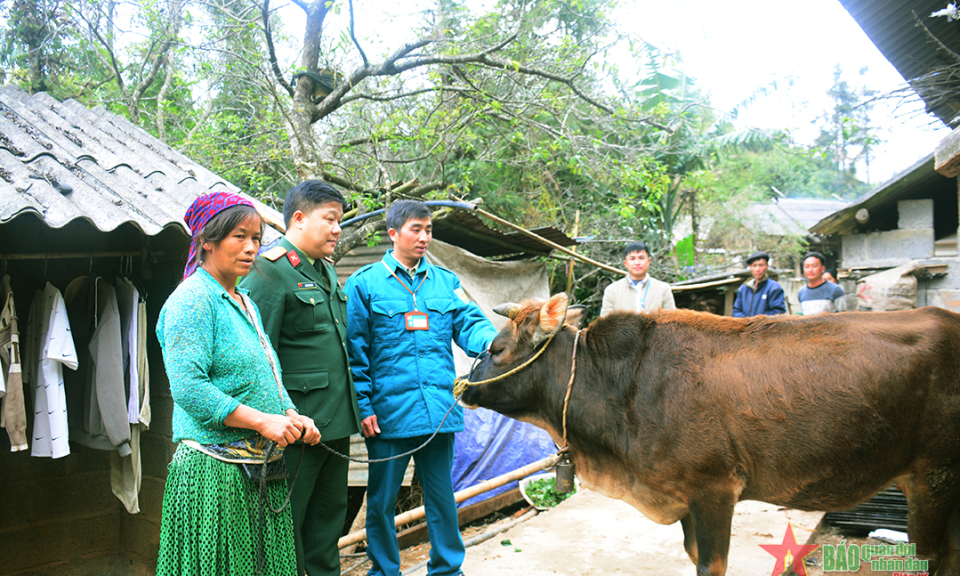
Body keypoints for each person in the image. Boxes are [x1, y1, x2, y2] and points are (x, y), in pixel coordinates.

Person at [155, 192, 321, 576]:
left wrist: (291, 415)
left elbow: (268, 372)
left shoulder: (244, 300)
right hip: (215, 477)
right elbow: (189, 388)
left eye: (257, 238)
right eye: (239, 237)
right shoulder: (192, 301)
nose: (251, 248)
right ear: (206, 242)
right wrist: (262, 422)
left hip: (262, 470)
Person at [345, 199, 498, 576]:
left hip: (438, 409)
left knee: (441, 497)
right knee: (381, 500)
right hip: (388, 414)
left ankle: (447, 568)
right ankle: (384, 570)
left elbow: (471, 324)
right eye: (416, 229)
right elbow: (355, 352)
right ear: (393, 233)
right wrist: (364, 406)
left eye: (429, 230)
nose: (424, 237)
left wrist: (496, 345)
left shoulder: (446, 283)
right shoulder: (365, 284)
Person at [240, 181, 362, 576]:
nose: (337, 229)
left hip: (334, 424)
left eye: (339, 221)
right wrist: (274, 420)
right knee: (284, 532)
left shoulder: (325, 269)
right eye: (329, 219)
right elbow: (257, 356)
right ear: (298, 218)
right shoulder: (269, 271)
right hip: (294, 431)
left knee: (327, 529)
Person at [600, 241, 675, 316]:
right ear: (625, 263)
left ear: (649, 261)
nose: (637, 262)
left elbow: (671, 320)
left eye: (641, 258)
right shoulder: (612, 291)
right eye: (632, 259)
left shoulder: (663, 289)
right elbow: (605, 323)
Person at [732, 251, 786, 317]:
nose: (758, 269)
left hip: (765, 327)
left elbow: (778, 312)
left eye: (761, 265)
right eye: (754, 266)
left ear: (767, 266)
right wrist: (747, 322)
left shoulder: (774, 288)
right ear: (750, 267)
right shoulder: (743, 288)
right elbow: (736, 311)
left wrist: (757, 322)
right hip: (745, 326)